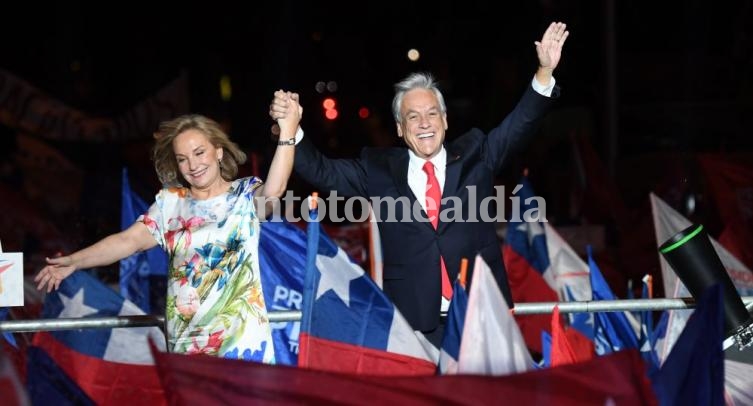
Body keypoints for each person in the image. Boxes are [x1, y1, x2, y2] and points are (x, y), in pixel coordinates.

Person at [270, 22, 569, 347]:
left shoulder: (476, 154)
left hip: (481, 314)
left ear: (444, 120)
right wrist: (291, 129)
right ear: (400, 128)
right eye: (413, 117)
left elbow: (519, 124)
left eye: (431, 114)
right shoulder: (378, 169)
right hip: (413, 322)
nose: (424, 123)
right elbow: (322, 171)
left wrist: (543, 72)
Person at [34, 90, 302, 362]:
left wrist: (288, 130)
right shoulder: (171, 203)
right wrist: (75, 261)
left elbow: (275, 189)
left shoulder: (245, 195)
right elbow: (127, 241)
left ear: (218, 151)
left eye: (199, 153)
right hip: (187, 344)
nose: (193, 165)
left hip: (242, 343)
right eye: (183, 158)